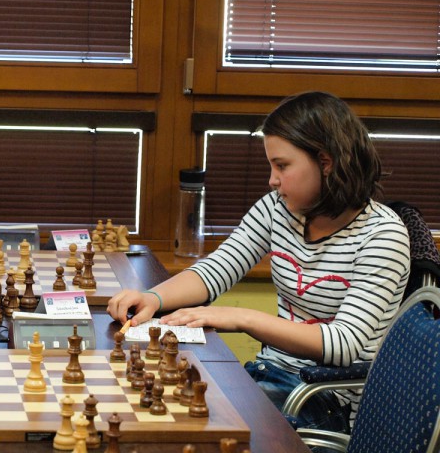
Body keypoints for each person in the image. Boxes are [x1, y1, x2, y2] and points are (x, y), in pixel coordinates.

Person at [107, 91, 410, 434]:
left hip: (326, 398)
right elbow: (218, 268)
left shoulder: (382, 235)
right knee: (155, 405)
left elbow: (343, 344)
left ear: (326, 162)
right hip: (270, 374)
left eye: (282, 166)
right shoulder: (278, 208)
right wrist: (153, 297)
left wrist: (243, 318)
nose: (272, 179)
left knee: (190, 426)